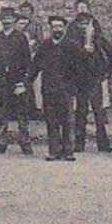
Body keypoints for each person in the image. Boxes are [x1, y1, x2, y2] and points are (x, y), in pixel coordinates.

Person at [0, 8, 33, 155]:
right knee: (2, 113)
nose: (6, 21)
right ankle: (0, 143)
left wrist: (23, 81)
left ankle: (25, 142)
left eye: (9, 18)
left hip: (17, 80)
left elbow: (27, 61)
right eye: (4, 18)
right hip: (2, 80)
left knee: (21, 113)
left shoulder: (21, 37)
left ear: (14, 20)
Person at [66, 0, 112, 153]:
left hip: (95, 77)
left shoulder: (96, 31)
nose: (84, 26)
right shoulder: (72, 34)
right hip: (80, 78)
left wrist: (106, 71)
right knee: (81, 111)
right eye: (80, 8)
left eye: (85, 7)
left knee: (99, 111)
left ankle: (103, 143)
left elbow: (106, 49)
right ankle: (79, 143)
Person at [32, 14, 79, 161]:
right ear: (50, 28)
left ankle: (68, 151)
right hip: (49, 88)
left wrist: (75, 86)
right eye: (54, 26)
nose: (57, 29)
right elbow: (35, 65)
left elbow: (79, 68)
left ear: (64, 28)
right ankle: (54, 150)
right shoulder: (45, 46)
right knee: (51, 121)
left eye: (60, 26)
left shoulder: (72, 45)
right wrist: (26, 82)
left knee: (68, 121)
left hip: (66, 89)